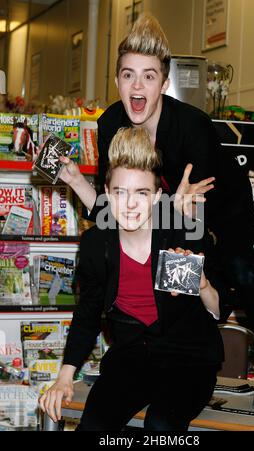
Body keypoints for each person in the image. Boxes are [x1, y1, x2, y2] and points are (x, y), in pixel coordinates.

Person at [57, 13, 254, 408]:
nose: (137, 86)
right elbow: (114, 212)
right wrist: (83, 185)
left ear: (164, 84)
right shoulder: (110, 123)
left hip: (220, 205)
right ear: (117, 80)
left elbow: (196, 220)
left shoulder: (192, 126)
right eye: (129, 75)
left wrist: (169, 211)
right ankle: (134, 353)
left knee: (237, 266)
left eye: (149, 76)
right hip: (166, 207)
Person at [39, 127, 225, 431]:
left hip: (188, 359)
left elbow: (217, 311)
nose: (129, 204)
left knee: (160, 426)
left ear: (157, 197)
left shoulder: (180, 235)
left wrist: (202, 283)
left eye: (142, 193)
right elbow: (88, 313)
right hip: (132, 357)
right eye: (120, 193)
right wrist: (64, 377)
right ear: (107, 194)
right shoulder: (96, 245)